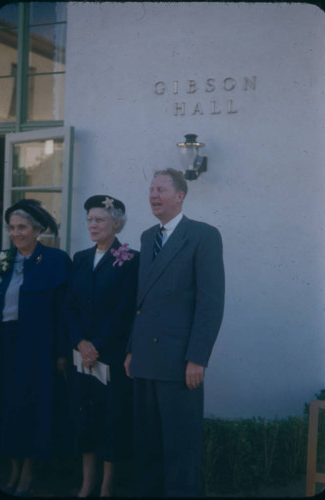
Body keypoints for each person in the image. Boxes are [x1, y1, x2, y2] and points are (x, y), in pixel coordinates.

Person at [124, 168, 225, 497]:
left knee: (181, 449)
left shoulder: (203, 236)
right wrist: (130, 349)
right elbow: (141, 299)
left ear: (180, 196)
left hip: (180, 364)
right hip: (144, 360)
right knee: (147, 448)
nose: (154, 195)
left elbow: (210, 304)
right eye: (151, 189)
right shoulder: (146, 236)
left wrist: (198, 358)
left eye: (161, 190)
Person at [0, 199, 72, 496]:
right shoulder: (1, 260)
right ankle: (12, 470)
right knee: (5, 407)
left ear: (37, 229)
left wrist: (62, 352)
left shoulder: (55, 261)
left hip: (37, 348)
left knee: (30, 408)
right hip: (2, 346)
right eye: (11, 227)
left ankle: (28, 472)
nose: (16, 233)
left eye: (22, 227)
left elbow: (64, 313)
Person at [64, 195, 139, 497]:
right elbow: (68, 305)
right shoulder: (80, 258)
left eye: (99, 220)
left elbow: (124, 310)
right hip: (81, 354)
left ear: (116, 223)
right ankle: (87, 482)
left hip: (110, 354)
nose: (92, 225)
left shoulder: (130, 258)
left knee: (111, 419)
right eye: (90, 220)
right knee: (85, 418)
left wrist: (97, 345)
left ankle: (107, 484)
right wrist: (81, 343)